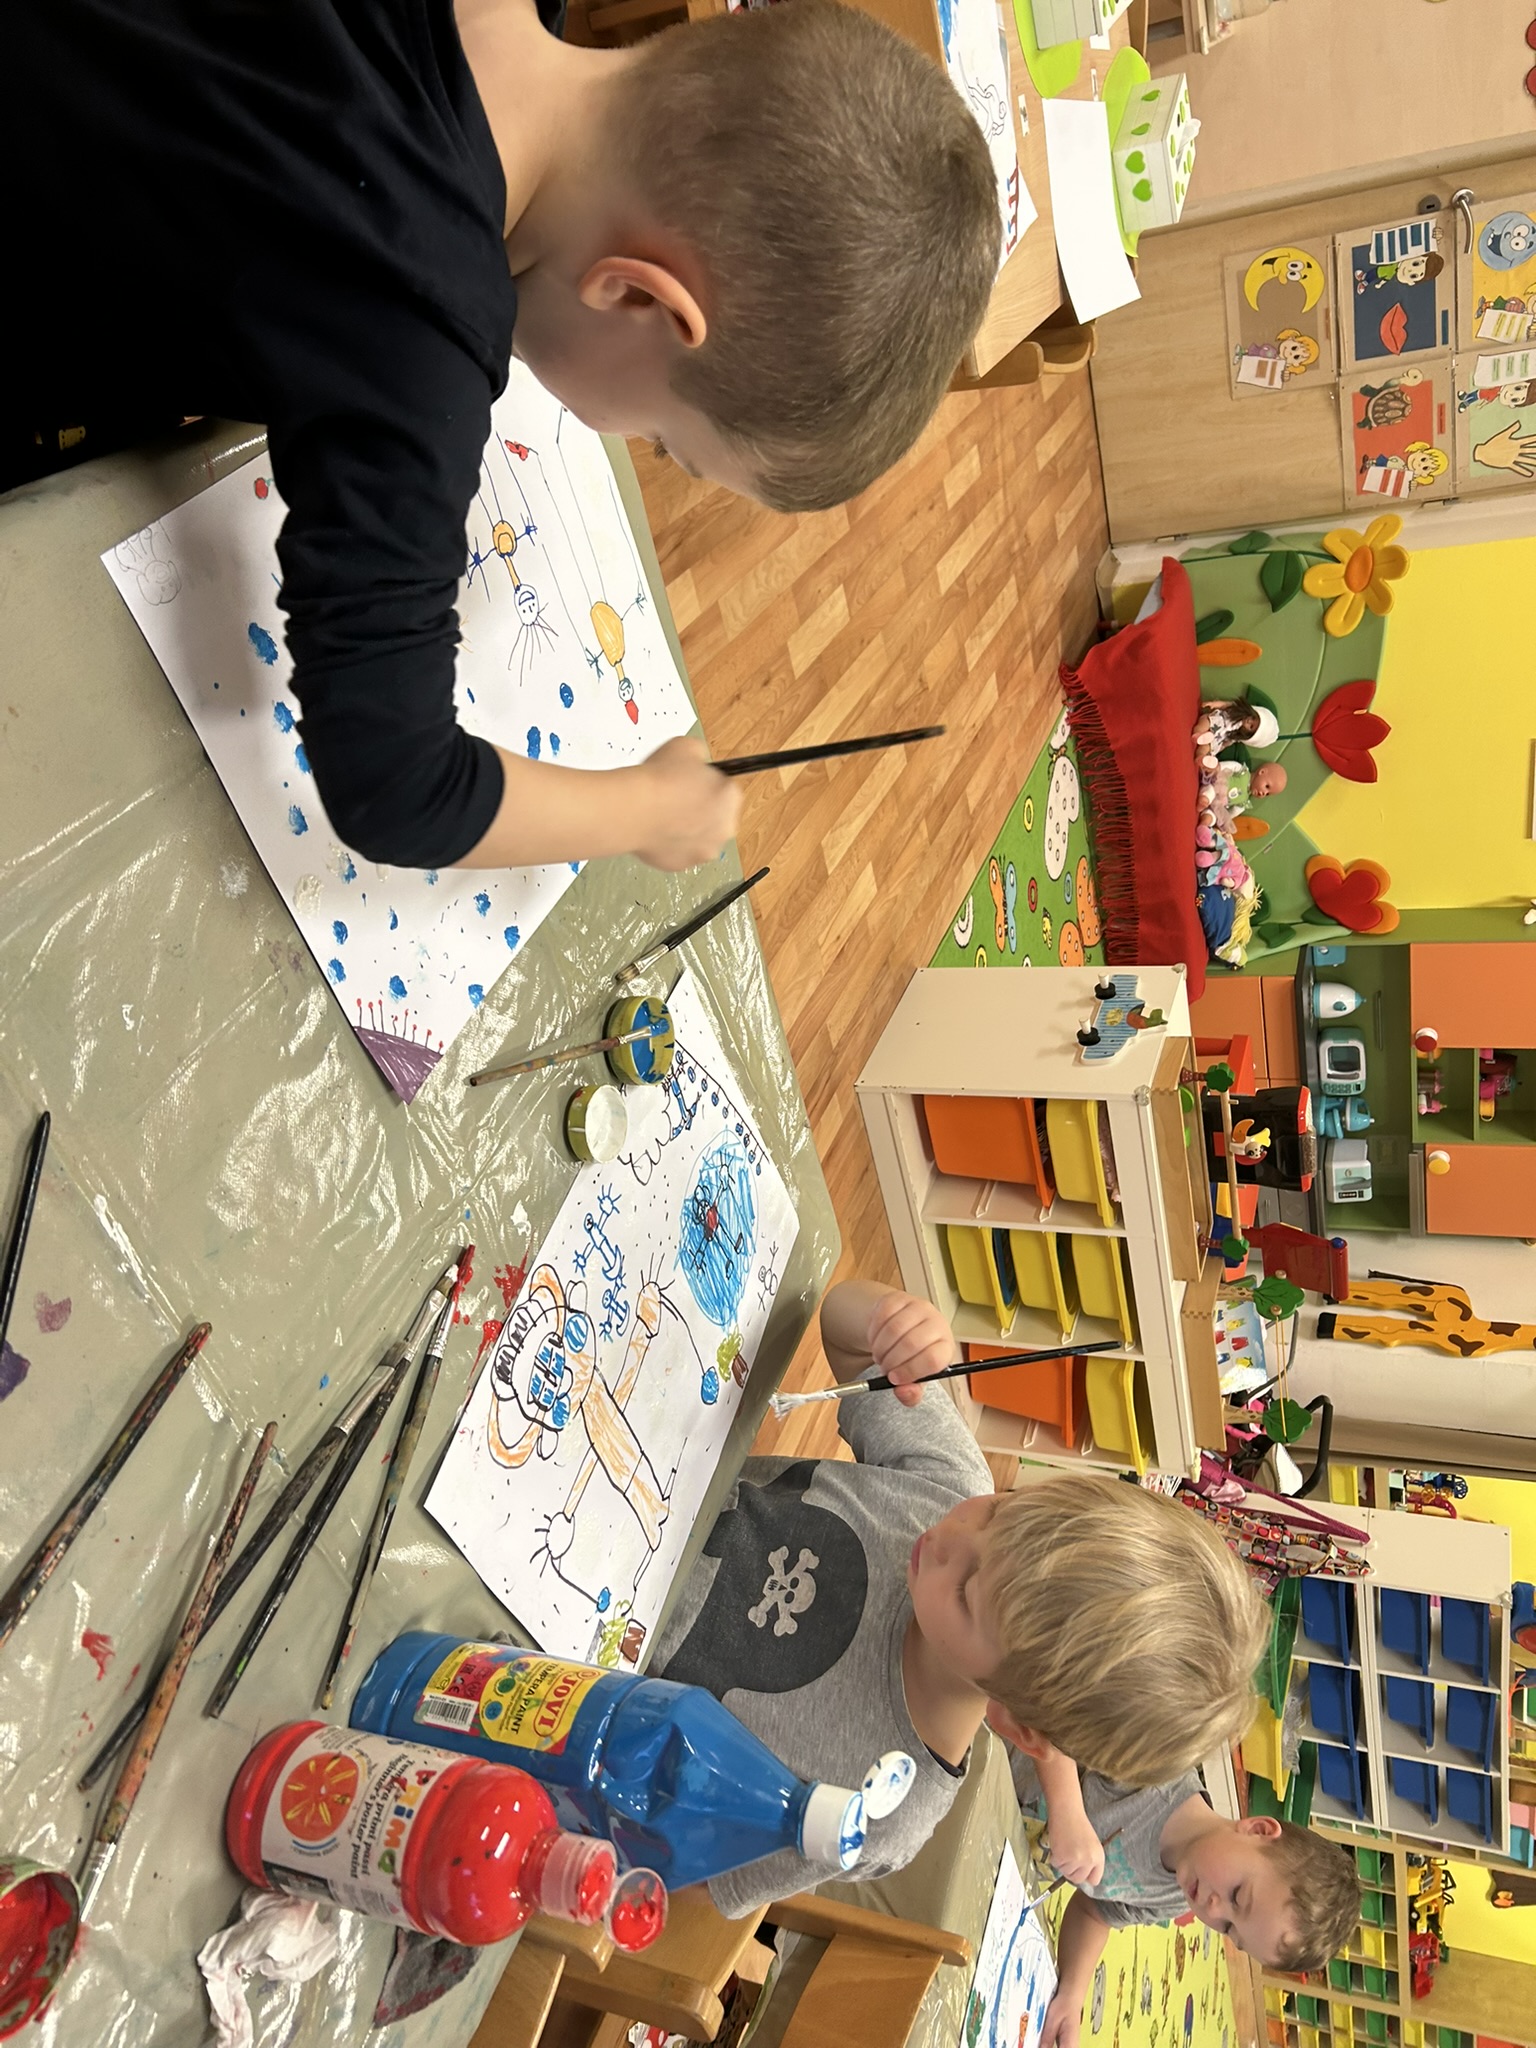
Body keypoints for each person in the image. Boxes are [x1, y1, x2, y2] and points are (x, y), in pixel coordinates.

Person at [5, 0, 1000, 873]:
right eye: (665, 442)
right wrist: (648, 810)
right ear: (637, 295)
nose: (627, 438)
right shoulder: (414, 321)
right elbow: (395, 786)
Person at [648, 1280, 1270, 1916]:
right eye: (1002, 1512)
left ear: (1019, 1728)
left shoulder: (882, 1810)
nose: (952, 1535)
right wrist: (888, 1323)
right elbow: (843, 1330)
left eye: (970, 1591)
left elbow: (699, 1874)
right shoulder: (951, 1486)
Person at [1011, 1752, 1362, 2048]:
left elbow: (1094, 1911)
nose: (1213, 1909)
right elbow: (1052, 1708)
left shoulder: (1176, 1898)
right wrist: (1067, 1809)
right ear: (1257, 1830)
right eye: (1238, 1895)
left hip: (1003, 1849)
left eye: (1228, 1928)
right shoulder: (1157, 1763)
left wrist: (1072, 1993)